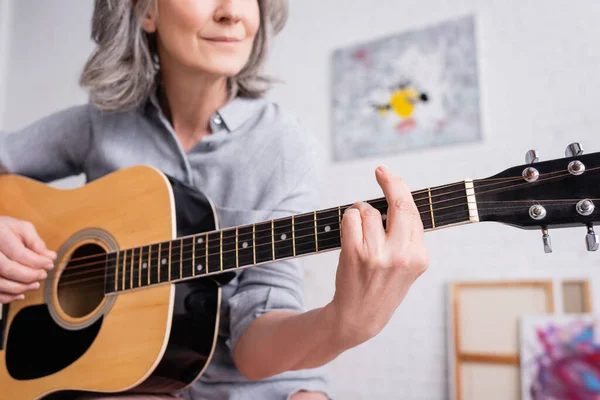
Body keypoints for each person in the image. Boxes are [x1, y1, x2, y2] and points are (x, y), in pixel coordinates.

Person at [0, 0, 430, 399]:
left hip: (260, 376)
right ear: (147, 11)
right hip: (117, 377)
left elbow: (253, 345)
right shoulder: (100, 125)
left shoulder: (285, 146)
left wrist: (343, 324)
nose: (231, 12)